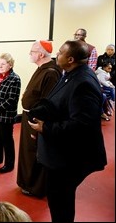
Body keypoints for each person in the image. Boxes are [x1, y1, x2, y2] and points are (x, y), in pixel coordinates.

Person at [28, 39, 107, 222]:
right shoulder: (70, 73)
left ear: (70, 59)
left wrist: (45, 127)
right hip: (60, 154)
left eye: (61, 52)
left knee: (60, 202)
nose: (57, 54)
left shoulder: (83, 82)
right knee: (57, 199)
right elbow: (59, 101)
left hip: (69, 158)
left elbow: (81, 125)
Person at [16, 40, 61, 197]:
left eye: (32, 51)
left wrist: (38, 122)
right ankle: (26, 182)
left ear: (41, 54)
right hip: (30, 116)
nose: (30, 54)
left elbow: (48, 102)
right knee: (27, 153)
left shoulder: (51, 73)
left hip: (37, 121)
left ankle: (36, 187)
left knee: (34, 153)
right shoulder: (42, 68)